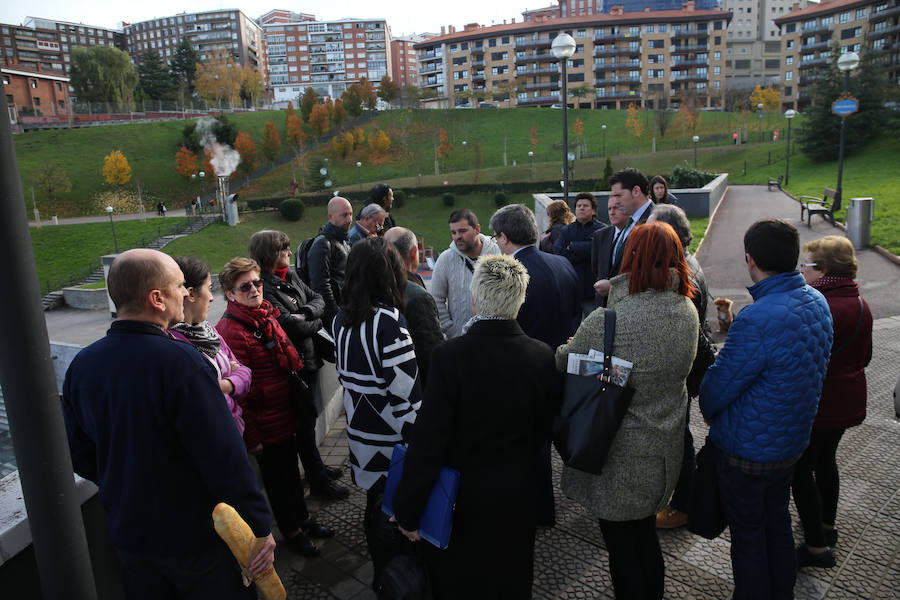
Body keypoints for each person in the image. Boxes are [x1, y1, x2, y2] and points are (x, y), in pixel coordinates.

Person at [62, 249, 275, 599]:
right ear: (157, 298)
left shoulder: (82, 366)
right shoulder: (183, 363)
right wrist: (259, 525)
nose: (185, 293)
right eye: (179, 286)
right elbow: (223, 458)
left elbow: (80, 453)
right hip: (195, 540)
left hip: (131, 537)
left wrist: (128, 485)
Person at [393, 254, 559, 599]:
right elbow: (545, 429)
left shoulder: (449, 357)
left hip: (460, 502)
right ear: (520, 300)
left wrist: (408, 510)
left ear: (473, 299)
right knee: (511, 581)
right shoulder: (542, 355)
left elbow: (429, 441)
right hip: (518, 495)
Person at [555, 222, 699, 600]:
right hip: (664, 448)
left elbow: (564, 361)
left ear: (630, 258)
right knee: (645, 539)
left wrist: (573, 345)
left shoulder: (610, 320)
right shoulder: (687, 309)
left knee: (622, 547)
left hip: (616, 453)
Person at [699, 219, 832, 600]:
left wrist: (708, 404)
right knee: (778, 523)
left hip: (747, 453)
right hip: (791, 444)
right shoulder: (817, 301)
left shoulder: (757, 317)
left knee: (749, 538)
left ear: (750, 259)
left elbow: (718, 388)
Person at [216, 257, 334, 558]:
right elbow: (242, 392)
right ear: (230, 293)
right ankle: (291, 531)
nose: (255, 290)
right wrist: (252, 436)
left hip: (286, 410)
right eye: (245, 287)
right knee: (277, 479)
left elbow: (288, 357)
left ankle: (303, 519)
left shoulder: (265, 314)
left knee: (291, 473)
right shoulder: (231, 329)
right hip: (265, 419)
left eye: (257, 283)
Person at [331, 237, 422, 583]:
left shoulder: (340, 320)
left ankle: (384, 576)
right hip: (392, 441)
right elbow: (406, 398)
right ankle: (397, 579)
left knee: (375, 505)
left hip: (360, 435)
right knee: (395, 517)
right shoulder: (389, 321)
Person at [490, 203, 579, 528]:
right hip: (564, 368)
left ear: (503, 237)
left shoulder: (508, 276)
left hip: (526, 376)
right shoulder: (562, 263)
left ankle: (542, 513)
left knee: (535, 449)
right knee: (568, 439)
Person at [248, 230, 349, 502]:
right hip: (295, 367)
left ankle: (317, 469)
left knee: (309, 420)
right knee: (303, 425)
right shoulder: (264, 287)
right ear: (271, 254)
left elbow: (316, 299)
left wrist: (305, 313)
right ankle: (318, 480)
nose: (290, 254)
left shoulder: (289, 275)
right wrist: (310, 318)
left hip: (309, 358)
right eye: (285, 250)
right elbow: (288, 325)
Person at [793, 235, 873, 568]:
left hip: (820, 403)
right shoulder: (860, 304)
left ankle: (815, 546)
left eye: (806, 265)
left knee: (800, 470)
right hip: (848, 400)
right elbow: (865, 357)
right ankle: (827, 524)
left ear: (824, 270)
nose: (801, 270)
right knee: (826, 461)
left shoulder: (819, 306)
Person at [644, 206, 717, 529]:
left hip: (683, 373)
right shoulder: (688, 261)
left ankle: (683, 504)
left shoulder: (681, 273)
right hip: (690, 369)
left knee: (680, 439)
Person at [169, 256, 249, 436]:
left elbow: (246, 372)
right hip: (216, 436)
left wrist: (227, 384)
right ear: (190, 294)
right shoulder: (174, 342)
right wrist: (232, 376)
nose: (212, 298)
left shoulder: (209, 330)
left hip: (234, 429)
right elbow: (207, 398)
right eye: (209, 289)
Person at [384, 226, 444, 386]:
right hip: (417, 387)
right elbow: (431, 354)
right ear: (413, 252)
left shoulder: (377, 286)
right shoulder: (417, 297)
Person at [430, 209, 500, 339]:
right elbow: (435, 299)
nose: (457, 236)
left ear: (477, 229)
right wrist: (451, 328)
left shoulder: (498, 253)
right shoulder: (445, 259)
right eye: (453, 232)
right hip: (459, 338)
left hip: (496, 337)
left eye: (462, 231)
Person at [592, 168, 656, 306]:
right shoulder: (631, 222)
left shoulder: (657, 221)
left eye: (619, 195)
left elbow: (656, 273)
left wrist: (615, 288)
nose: (616, 201)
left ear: (636, 191)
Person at [554, 192, 604, 317]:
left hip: (592, 290)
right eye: (579, 205)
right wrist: (585, 251)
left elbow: (597, 252)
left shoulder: (602, 230)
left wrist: (572, 246)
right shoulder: (566, 230)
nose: (581, 208)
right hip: (571, 288)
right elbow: (559, 252)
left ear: (593, 210)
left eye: (586, 206)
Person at [308, 196, 353, 327]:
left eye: (351, 214)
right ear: (331, 217)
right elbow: (320, 286)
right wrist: (336, 316)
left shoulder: (344, 240)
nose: (350, 219)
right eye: (344, 215)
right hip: (336, 316)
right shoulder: (322, 244)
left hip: (347, 310)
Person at [590, 194, 629, 308]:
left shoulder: (637, 235)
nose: (612, 212)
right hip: (602, 304)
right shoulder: (600, 235)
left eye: (616, 208)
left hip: (625, 303)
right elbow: (596, 268)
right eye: (609, 208)